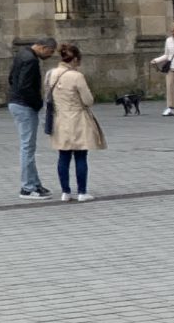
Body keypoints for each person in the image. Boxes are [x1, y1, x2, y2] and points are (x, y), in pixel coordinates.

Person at [44, 43, 106, 202]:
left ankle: (65, 192)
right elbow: (88, 100)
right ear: (76, 59)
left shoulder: (51, 74)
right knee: (80, 155)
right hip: (78, 119)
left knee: (63, 156)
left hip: (60, 119)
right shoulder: (77, 76)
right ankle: (82, 192)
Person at [7, 38, 56, 200]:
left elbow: (11, 79)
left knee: (28, 146)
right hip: (24, 105)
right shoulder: (31, 61)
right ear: (43, 47)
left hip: (16, 102)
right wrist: (37, 104)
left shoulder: (22, 54)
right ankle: (27, 187)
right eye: (50, 52)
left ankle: (34, 183)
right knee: (27, 146)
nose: (50, 55)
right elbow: (25, 86)